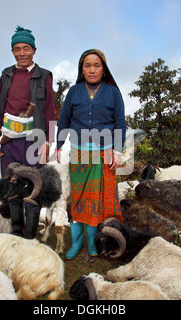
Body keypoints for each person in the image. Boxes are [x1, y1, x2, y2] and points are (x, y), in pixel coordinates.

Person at [54, 49, 126, 260]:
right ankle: (77, 242)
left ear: (103, 69)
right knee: (78, 199)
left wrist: (118, 151)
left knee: (98, 201)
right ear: (81, 69)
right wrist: (58, 146)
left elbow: (120, 123)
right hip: (79, 154)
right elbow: (64, 121)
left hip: (104, 155)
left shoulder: (113, 93)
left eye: (97, 65)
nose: (92, 69)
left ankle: (94, 243)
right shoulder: (74, 92)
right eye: (87, 65)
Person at [0, 26, 56, 239]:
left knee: (33, 186)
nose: (22, 53)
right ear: (12, 52)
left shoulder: (44, 76)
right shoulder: (6, 75)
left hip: (33, 140)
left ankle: (30, 236)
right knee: (13, 186)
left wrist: (48, 141)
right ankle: (16, 234)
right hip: (9, 140)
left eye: (26, 48)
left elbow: (49, 109)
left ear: (34, 50)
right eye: (17, 49)